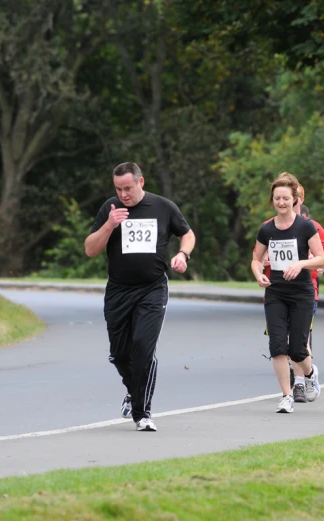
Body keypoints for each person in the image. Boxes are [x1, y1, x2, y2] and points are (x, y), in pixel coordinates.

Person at [85, 162, 196, 432]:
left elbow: (187, 234)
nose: (123, 194)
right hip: (118, 290)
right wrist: (109, 225)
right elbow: (90, 249)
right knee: (120, 355)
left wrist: (182, 254)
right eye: (118, 189)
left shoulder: (163, 207)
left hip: (152, 288)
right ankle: (134, 391)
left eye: (128, 188)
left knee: (143, 349)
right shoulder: (110, 208)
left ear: (141, 182)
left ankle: (142, 414)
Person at [251, 173, 324, 413]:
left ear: (295, 199)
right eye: (277, 198)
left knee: (297, 350)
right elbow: (255, 259)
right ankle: (286, 395)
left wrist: (301, 264)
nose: (281, 202)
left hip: (302, 293)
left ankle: (310, 372)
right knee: (277, 345)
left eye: (285, 198)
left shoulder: (306, 226)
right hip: (275, 292)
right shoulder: (267, 229)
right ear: (272, 200)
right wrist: (258, 274)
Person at [289, 182, 324, 403]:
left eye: (293, 196)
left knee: (301, 339)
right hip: (279, 290)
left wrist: (312, 263)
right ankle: (299, 380)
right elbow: (259, 256)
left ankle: (302, 380)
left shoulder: (312, 227)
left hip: (306, 290)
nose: (288, 200)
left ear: (300, 199)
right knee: (286, 339)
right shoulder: (272, 226)